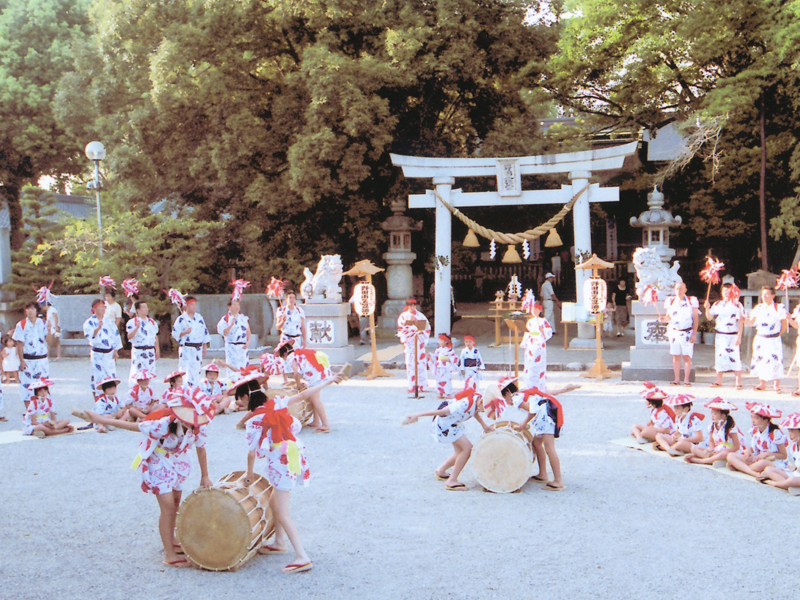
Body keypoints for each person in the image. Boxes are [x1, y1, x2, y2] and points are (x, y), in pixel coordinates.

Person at [77, 389, 215, 568]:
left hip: (178, 462)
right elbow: (132, 427)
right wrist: (99, 419)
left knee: (176, 501)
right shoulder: (162, 424)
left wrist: (205, 475)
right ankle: (169, 554)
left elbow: (201, 448)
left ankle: (171, 539)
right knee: (167, 506)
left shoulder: (198, 428)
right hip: (158, 462)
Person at [243, 375, 343, 573]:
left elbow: (252, 451)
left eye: (239, 398)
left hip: (280, 463)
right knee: (274, 502)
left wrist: (249, 473)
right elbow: (305, 393)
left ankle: (302, 556)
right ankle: (280, 541)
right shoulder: (277, 402)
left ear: (246, 397)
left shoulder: (254, 420)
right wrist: (328, 380)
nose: (238, 403)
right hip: (292, 455)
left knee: (282, 512)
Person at [403, 387, 492, 491]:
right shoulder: (463, 404)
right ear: (481, 402)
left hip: (453, 424)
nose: (484, 411)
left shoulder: (477, 399)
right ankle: (452, 481)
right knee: (467, 449)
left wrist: (484, 426)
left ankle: (440, 471)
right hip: (445, 425)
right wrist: (417, 415)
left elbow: (475, 411)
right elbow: (441, 411)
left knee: (460, 451)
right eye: (485, 408)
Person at [276, 341, 335, 433]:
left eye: (282, 357)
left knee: (315, 399)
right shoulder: (299, 353)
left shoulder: (290, 357)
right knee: (314, 397)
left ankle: (325, 424)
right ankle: (316, 421)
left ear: (284, 353)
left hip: (315, 374)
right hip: (319, 371)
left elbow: (296, 373)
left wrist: (298, 385)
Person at [514, 386, 566, 491]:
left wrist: (523, 424)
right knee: (536, 443)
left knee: (549, 448)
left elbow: (533, 411)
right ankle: (543, 474)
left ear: (506, 393)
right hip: (546, 413)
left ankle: (558, 480)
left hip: (547, 416)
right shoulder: (523, 394)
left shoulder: (516, 398)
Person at [726, 402, 787, 477]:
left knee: (762, 463)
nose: (753, 420)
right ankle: (753, 472)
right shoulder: (755, 430)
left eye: (756, 418)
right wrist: (749, 450)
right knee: (731, 455)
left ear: (766, 420)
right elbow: (758, 446)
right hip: (757, 459)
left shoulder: (775, 433)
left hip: (772, 461)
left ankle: (740, 467)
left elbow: (784, 455)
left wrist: (767, 454)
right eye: (752, 417)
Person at [746, 286, 787, 393]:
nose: (764, 296)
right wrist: (743, 319)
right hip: (761, 338)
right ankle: (762, 382)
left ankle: (776, 384)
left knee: (775, 360)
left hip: (773, 338)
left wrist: (777, 334)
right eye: (763, 294)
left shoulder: (779, 307)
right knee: (761, 359)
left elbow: (784, 324)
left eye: (767, 294)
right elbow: (751, 322)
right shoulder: (758, 308)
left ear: (773, 295)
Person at [704, 282, 744, 389]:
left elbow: (740, 321)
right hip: (720, 335)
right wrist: (707, 308)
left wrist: (739, 336)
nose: (726, 293)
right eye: (724, 291)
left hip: (732, 335)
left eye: (728, 291)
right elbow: (709, 317)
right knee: (720, 356)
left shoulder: (737, 305)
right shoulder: (717, 304)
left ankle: (738, 381)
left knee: (735, 357)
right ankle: (718, 380)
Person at [13, 301, 52, 407]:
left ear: (36, 311)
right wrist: (21, 360)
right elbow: (19, 344)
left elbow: (48, 340)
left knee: (43, 383)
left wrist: (49, 329)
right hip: (28, 358)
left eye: (32, 309)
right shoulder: (21, 325)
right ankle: (29, 409)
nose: (30, 311)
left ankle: (44, 407)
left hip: (41, 358)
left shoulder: (43, 323)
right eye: (28, 309)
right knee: (26, 384)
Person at [661, 281, 699, 387]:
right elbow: (668, 316)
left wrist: (694, 333)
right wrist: (664, 319)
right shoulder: (671, 301)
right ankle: (676, 378)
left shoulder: (692, 301)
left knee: (687, 356)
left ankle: (686, 379)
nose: (679, 291)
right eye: (677, 288)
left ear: (685, 290)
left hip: (687, 331)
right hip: (674, 332)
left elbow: (695, 318)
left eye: (681, 288)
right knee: (675, 356)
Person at [83, 299, 123, 398]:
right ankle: (98, 399)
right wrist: (97, 329)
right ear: (95, 308)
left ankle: (110, 398)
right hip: (98, 353)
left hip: (109, 354)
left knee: (110, 376)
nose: (103, 309)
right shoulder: (89, 322)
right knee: (97, 376)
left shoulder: (109, 322)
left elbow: (115, 336)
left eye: (104, 307)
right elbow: (91, 337)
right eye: (101, 307)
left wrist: (116, 350)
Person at [685, 398, 743, 465]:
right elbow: (711, 441)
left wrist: (724, 450)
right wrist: (712, 449)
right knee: (694, 448)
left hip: (727, 450)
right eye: (711, 413)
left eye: (715, 414)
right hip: (716, 449)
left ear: (723, 415)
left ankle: (702, 461)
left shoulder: (731, 427)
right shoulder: (712, 425)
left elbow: (736, 446)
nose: (712, 416)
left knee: (723, 454)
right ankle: (711, 459)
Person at [171, 296, 211, 388]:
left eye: (195, 304)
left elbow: (204, 332)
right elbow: (174, 334)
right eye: (191, 304)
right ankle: (184, 389)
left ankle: (195, 389)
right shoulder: (181, 319)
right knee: (186, 371)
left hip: (198, 348)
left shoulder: (199, 317)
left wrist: (204, 346)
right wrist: (184, 332)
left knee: (196, 370)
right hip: (186, 348)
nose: (194, 307)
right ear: (186, 306)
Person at [397, 298, 431, 394]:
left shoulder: (421, 316)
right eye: (410, 305)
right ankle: (412, 385)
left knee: (421, 364)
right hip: (409, 343)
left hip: (419, 341)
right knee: (410, 363)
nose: (412, 307)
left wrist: (420, 332)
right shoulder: (403, 316)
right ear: (407, 305)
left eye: (414, 305)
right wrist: (408, 326)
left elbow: (427, 327)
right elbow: (401, 329)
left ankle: (423, 385)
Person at [760, 413, 800, 490]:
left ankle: (773, 483)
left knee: (792, 480)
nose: (790, 434)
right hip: (795, 473)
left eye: (792, 431)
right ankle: (789, 486)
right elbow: (792, 464)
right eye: (789, 431)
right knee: (768, 469)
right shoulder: (794, 446)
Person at [520, 303, 553, 391]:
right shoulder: (530, 321)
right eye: (533, 310)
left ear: (540, 311)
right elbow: (528, 331)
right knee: (529, 363)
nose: (534, 311)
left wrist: (543, 331)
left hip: (539, 343)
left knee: (538, 364)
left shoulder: (543, 321)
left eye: (536, 310)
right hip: (531, 343)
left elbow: (549, 331)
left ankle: (539, 385)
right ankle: (529, 384)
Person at [217, 298, 252, 379]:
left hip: (243, 347)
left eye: (238, 305)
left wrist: (248, 341)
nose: (237, 307)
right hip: (232, 347)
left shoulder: (243, 318)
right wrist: (231, 325)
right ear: (229, 307)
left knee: (244, 369)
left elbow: (248, 331)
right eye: (234, 305)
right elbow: (224, 333)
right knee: (233, 370)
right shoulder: (225, 319)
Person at [127, 300, 160, 384]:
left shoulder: (152, 322)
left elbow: (155, 336)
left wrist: (157, 349)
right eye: (144, 307)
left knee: (150, 372)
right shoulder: (132, 322)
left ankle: (150, 393)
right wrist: (136, 328)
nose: (146, 309)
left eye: (146, 307)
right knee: (138, 373)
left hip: (150, 351)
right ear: (138, 310)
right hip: (138, 351)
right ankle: (137, 392)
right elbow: (129, 336)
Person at [433, 333, 458, 399]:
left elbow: (455, 358)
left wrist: (448, 359)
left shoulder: (449, 350)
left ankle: (448, 394)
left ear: (446, 341)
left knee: (446, 380)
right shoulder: (438, 350)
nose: (440, 342)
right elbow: (435, 358)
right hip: (439, 367)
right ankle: (440, 393)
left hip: (446, 368)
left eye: (442, 340)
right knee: (439, 380)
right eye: (439, 340)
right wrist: (431, 357)